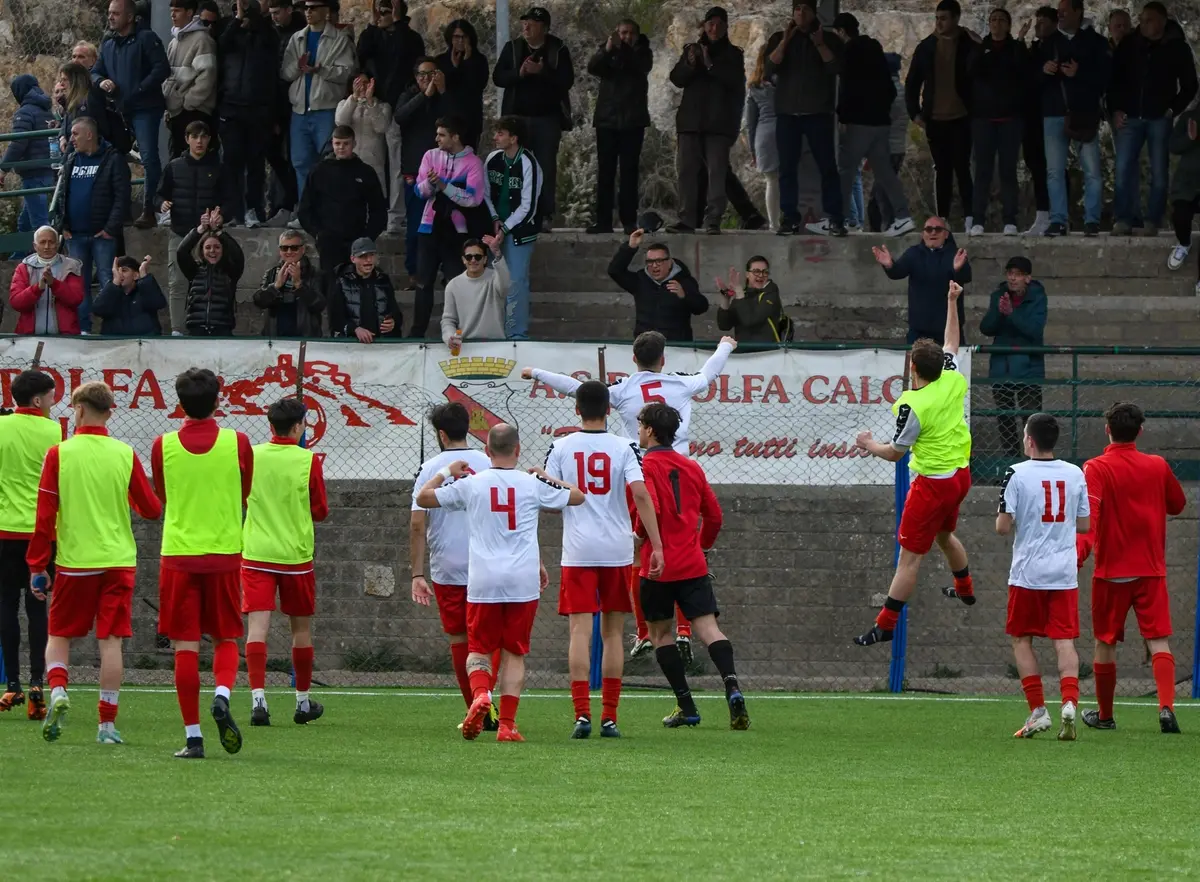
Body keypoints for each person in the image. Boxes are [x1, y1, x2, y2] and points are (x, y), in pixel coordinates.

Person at [524, 330, 736, 661]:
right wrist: (725, 345)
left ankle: (644, 632)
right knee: (684, 548)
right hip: (681, 474)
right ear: (663, 361)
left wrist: (537, 373)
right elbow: (710, 371)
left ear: (634, 360)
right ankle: (682, 631)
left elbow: (580, 390)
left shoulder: (623, 391)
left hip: (643, 473)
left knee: (641, 555)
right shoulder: (681, 385)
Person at [415, 423, 584, 742]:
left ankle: (480, 695)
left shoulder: (472, 484)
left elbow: (424, 498)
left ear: (487, 452)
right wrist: (547, 477)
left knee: (478, 648)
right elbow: (577, 497)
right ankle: (507, 725)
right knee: (514, 653)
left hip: (483, 580)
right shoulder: (531, 484)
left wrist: (446, 472)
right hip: (522, 580)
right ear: (518, 450)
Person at [26, 381, 162, 745]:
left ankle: (58, 692)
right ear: (110, 413)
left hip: (75, 562)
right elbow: (151, 509)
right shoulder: (124, 453)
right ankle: (106, 726)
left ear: (80, 409)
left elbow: (44, 515)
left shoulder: (60, 453)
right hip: (118, 560)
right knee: (111, 640)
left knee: (59, 634)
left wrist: (38, 566)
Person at [853, 280, 975, 646]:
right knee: (944, 535)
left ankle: (885, 625)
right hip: (961, 476)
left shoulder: (913, 405)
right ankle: (965, 588)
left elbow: (895, 453)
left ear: (912, 366)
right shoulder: (952, 377)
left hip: (934, 484)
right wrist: (952, 301)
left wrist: (868, 443)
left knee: (909, 559)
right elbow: (952, 342)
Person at [545, 380, 664, 739]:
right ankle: (609, 717)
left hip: (579, 551)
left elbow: (549, 498)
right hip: (616, 551)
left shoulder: (560, 446)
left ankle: (582, 715)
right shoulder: (626, 446)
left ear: (577, 410)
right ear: (609, 410)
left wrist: (553, 483)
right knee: (613, 633)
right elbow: (641, 495)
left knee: (579, 631)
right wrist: (655, 545)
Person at [152, 368, 254, 760]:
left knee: (184, 646)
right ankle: (222, 695)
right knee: (226, 637)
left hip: (178, 554)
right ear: (218, 401)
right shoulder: (238, 442)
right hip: (225, 552)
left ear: (178, 404)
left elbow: (162, 493)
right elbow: (244, 490)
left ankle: (193, 738)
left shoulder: (163, 445)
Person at [633, 402, 748, 730]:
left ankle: (687, 705)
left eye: (641, 425)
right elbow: (714, 516)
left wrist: (643, 537)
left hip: (658, 565)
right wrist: (703, 546)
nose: (638, 430)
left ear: (651, 431)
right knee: (709, 629)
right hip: (692, 563)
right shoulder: (692, 467)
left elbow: (648, 508)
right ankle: (733, 688)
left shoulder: (644, 467)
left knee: (659, 633)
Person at [1077, 402, 1187, 734]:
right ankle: (1166, 708)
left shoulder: (1095, 467)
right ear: (1140, 431)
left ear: (1107, 430)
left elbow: (1090, 518)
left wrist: (1079, 553)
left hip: (1111, 571)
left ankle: (1106, 715)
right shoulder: (1157, 465)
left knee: (1105, 641)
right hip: (1150, 569)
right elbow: (1178, 505)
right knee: (1158, 640)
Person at [998, 413, 1090, 740]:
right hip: (1063, 572)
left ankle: (1038, 710)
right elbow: (1083, 525)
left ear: (1030, 440)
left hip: (1027, 573)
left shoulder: (1016, 473)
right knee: (1064, 640)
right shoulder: (1075, 473)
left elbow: (1002, 527)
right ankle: (1069, 702)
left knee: (1022, 638)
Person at [241, 397, 329, 727]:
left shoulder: (253, 456)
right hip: (295, 556)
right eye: (304, 423)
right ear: (296, 427)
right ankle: (302, 702)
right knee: (301, 630)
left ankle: (258, 701)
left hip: (256, 552)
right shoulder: (308, 460)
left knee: (257, 629)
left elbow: (241, 493)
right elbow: (320, 510)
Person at [409, 403, 497, 724]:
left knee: (460, 638)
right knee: (488, 638)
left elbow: (418, 525)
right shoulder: (489, 464)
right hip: (486, 563)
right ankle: (486, 695)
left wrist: (417, 573)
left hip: (447, 566)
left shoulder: (429, 470)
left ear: (441, 434)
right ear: (468, 429)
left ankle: (475, 704)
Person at [0, 371, 61, 721]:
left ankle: (12, 683)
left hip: (5, 530)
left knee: (6, 604)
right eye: (51, 397)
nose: (54, 403)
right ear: (37, 400)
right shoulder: (54, 432)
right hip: (41, 533)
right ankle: (39, 681)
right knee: (38, 607)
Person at [1108, 1, 1197, 236]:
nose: (1143, 24)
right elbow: (1114, 80)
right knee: (1123, 168)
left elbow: (1190, 85)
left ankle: (1152, 220)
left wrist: (1171, 110)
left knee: (1159, 172)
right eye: (1142, 19)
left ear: (1162, 21)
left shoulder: (1177, 47)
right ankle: (1123, 219)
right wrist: (1115, 109)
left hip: (1159, 118)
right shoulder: (1129, 45)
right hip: (1129, 117)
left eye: (1149, 20)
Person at [764, 0, 845, 237]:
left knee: (828, 167)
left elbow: (836, 68)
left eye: (805, 9)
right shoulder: (779, 38)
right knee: (787, 169)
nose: (801, 14)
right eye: (797, 9)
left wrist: (819, 45)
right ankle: (789, 218)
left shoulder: (829, 38)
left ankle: (835, 218)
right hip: (788, 113)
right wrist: (785, 41)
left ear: (813, 13)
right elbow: (770, 67)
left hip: (818, 113)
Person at [832, 13, 915, 238]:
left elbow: (847, 87)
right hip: (880, 123)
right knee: (885, 172)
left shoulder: (849, 52)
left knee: (846, 171)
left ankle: (837, 221)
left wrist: (843, 116)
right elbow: (888, 89)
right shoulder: (876, 51)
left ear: (841, 32)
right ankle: (903, 216)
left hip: (859, 122)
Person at [493, 6, 575, 230]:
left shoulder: (558, 49)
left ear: (544, 28)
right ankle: (514, 213)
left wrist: (542, 71)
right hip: (516, 120)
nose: (526, 27)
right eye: (524, 23)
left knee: (545, 168)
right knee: (514, 167)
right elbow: (498, 77)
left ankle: (544, 215)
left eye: (532, 23)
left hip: (547, 119)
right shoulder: (513, 48)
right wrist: (519, 74)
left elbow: (566, 80)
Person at [667, 6, 745, 235]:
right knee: (687, 172)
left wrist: (710, 64)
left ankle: (713, 220)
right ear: (704, 26)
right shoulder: (691, 49)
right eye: (711, 24)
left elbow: (733, 83)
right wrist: (690, 64)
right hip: (690, 122)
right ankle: (687, 219)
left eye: (720, 24)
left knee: (716, 173)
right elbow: (676, 79)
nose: (714, 28)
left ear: (725, 28)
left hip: (718, 125)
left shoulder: (733, 54)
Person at [1037, 0, 1111, 237]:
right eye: (1058, 11)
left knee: (1092, 170)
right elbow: (1031, 81)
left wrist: (1080, 74)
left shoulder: (1096, 43)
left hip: (1084, 113)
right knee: (1054, 171)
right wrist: (1043, 71)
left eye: (1065, 11)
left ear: (1078, 12)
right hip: (1053, 112)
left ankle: (1092, 221)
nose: (1060, 15)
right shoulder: (1047, 44)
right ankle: (1058, 220)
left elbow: (1106, 79)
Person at [94, 0, 170, 228]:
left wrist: (138, 90)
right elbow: (96, 71)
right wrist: (102, 81)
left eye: (115, 13)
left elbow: (161, 68)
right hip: (120, 109)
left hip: (145, 108)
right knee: (115, 157)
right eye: (109, 13)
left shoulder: (146, 38)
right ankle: (121, 210)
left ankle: (150, 208)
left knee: (148, 157)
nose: (110, 17)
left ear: (129, 16)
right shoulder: (108, 43)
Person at [411, 115, 487, 338]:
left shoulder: (473, 163)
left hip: (457, 231)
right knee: (423, 282)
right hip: (428, 227)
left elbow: (473, 199)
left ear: (455, 137)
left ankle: (460, 331)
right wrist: (431, 184)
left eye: (442, 135)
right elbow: (419, 191)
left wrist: (445, 186)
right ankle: (417, 333)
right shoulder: (430, 156)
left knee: (456, 283)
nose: (437, 139)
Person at [906, 0, 976, 230]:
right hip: (934, 118)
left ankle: (970, 218)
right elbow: (913, 81)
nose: (939, 22)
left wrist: (980, 44)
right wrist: (914, 112)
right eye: (937, 18)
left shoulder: (967, 43)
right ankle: (942, 218)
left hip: (962, 116)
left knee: (963, 167)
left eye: (944, 18)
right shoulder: (926, 46)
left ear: (956, 18)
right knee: (942, 169)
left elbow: (983, 72)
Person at [54, 117, 129, 332]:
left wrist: (110, 229)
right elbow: (61, 195)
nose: (71, 140)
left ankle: (112, 327)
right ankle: (83, 328)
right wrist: (64, 224)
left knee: (108, 280)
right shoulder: (71, 160)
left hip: (102, 236)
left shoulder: (112, 159)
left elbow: (121, 197)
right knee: (79, 285)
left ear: (89, 134)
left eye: (75, 134)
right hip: (75, 236)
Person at [356, 0, 424, 227]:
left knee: (396, 164)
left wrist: (398, 24)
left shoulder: (410, 38)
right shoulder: (373, 35)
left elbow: (406, 55)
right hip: (375, 105)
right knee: (371, 162)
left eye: (385, 11)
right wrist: (373, 24)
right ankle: (370, 211)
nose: (380, 15)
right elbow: (362, 52)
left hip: (397, 106)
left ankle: (396, 215)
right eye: (378, 11)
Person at [281, 0, 357, 202]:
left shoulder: (339, 39)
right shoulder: (297, 38)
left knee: (329, 162)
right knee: (300, 162)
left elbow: (347, 72)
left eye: (313, 7)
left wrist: (320, 69)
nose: (308, 12)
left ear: (326, 11)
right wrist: (299, 68)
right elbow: (285, 73)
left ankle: (328, 209)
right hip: (299, 110)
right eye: (306, 8)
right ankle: (306, 210)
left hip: (326, 108)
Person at [297, 124, 387, 289]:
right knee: (332, 291)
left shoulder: (366, 172)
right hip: (328, 242)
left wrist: (367, 237)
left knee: (358, 289)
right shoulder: (319, 171)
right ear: (332, 143)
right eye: (338, 143)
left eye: (346, 143)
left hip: (357, 241)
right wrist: (318, 234)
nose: (341, 147)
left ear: (354, 144)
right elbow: (304, 209)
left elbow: (379, 210)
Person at [587, 18, 653, 235]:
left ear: (636, 35)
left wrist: (619, 47)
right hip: (607, 120)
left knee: (629, 173)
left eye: (630, 33)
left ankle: (628, 221)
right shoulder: (609, 51)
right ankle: (603, 221)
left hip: (633, 121)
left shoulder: (643, 52)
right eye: (622, 33)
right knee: (605, 173)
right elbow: (593, 67)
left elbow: (637, 66)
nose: (626, 37)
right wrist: (606, 50)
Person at [967, 8, 1030, 236]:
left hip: (1010, 119)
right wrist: (980, 49)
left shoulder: (1015, 48)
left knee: (1007, 171)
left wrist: (1021, 41)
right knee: (982, 171)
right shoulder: (980, 48)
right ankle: (977, 220)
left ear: (1008, 24)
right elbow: (973, 72)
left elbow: (1019, 71)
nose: (996, 24)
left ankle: (1010, 220)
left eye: (1001, 20)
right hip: (983, 119)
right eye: (993, 20)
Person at [217, 0, 280, 229]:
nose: (241, 15)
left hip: (258, 110)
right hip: (231, 109)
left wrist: (256, 19)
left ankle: (254, 209)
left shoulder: (266, 35)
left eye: (244, 11)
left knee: (255, 164)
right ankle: (233, 211)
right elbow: (221, 45)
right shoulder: (231, 35)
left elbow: (270, 43)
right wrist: (237, 20)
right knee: (231, 162)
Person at [158, 119, 223, 335]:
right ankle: (177, 330)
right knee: (177, 281)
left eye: (204, 136)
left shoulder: (218, 167)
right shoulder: (174, 167)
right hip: (180, 231)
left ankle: (210, 328)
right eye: (195, 136)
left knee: (211, 281)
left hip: (210, 235)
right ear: (187, 140)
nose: (199, 141)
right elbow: (158, 195)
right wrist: (162, 203)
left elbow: (231, 199)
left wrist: (221, 216)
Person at [980, 256, 1047, 457]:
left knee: (1031, 420)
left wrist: (1011, 314)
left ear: (1028, 278)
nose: (1012, 278)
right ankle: (1010, 462)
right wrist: (999, 313)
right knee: (1005, 419)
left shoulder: (1038, 297)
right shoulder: (998, 295)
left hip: (1028, 368)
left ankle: (1033, 460)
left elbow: (1034, 330)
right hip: (1001, 367)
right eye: (1010, 273)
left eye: (1017, 274)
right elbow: (986, 328)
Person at [483, 115, 542, 340]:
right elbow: (485, 193)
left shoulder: (529, 163)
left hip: (519, 232)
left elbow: (529, 205)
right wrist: (494, 217)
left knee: (516, 281)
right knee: (493, 280)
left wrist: (505, 229)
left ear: (513, 138)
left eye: (501, 133)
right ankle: (493, 331)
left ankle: (516, 334)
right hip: (494, 226)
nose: (495, 137)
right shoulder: (492, 159)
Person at [872, 217, 971, 344]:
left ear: (946, 234)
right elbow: (897, 272)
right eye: (929, 229)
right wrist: (889, 265)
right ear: (923, 234)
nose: (933, 233)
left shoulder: (956, 254)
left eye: (938, 229)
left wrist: (958, 269)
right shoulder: (913, 253)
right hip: (919, 330)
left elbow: (966, 277)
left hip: (949, 328)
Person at [394, 58, 448, 285]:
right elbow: (400, 116)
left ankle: (447, 270)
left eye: (431, 73)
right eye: (422, 74)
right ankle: (415, 272)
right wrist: (424, 95)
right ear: (416, 77)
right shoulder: (409, 96)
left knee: (446, 224)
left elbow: (457, 118)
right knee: (416, 225)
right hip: (416, 172)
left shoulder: (444, 97)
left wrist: (442, 91)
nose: (427, 79)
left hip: (445, 171)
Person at [606, 228, 709, 341]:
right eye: (650, 262)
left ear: (669, 262)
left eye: (659, 261)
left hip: (676, 347)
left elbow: (702, 307)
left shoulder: (684, 281)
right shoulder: (640, 281)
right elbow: (614, 271)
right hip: (645, 346)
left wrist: (685, 296)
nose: (654, 266)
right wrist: (630, 247)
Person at [163, 0, 219, 158]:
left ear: (189, 13)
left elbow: (207, 77)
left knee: (197, 161)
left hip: (195, 111)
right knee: (177, 160)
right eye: (171, 11)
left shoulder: (202, 40)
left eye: (177, 11)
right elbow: (169, 77)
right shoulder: (174, 41)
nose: (173, 15)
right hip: (177, 111)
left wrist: (187, 103)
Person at [176, 208, 243, 337]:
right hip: (196, 330)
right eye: (208, 247)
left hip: (222, 331)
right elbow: (181, 252)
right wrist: (200, 229)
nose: (213, 251)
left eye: (217, 247)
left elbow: (238, 255)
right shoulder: (194, 271)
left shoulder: (230, 271)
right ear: (202, 251)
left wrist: (219, 232)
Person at [1, 76, 55, 232]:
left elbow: (18, 143)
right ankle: (18, 254)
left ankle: (53, 252)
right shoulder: (46, 110)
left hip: (33, 173)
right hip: (47, 171)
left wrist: (3, 169)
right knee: (25, 223)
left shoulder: (25, 112)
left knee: (40, 223)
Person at [266, 0, 304, 223]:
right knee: (274, 156)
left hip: (294, 103)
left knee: (294, 158)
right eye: (271, 13)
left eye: (277, 12)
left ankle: (290, 204)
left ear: (289, 10)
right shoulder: (270, 33)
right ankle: (282, 204)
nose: (274, 17)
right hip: (273, 103)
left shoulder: (299, 35)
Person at [1022, 6, 1058, 237]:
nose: (1038, 26)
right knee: (1035, 163)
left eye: (1043, 22)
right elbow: (1025, 77)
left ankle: (1057, 216)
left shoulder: (1059, 46)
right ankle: (1043, 215)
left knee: (1054, 167)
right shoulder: (1034, 48)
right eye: (1038, 22)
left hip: (1052, 113)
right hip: (1032, 114)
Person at [9, 226, 85, 336]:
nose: (47, 246)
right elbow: (16, 302)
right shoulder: (23, 268)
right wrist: (37, 288)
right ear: (35, 246)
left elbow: (76, 299)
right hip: (29, 337)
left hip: (65, 338)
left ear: (58, 244)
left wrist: (54, 284)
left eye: (51, 242)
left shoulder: (71, 266)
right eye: (42, 242)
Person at [328, 237, 403, 342]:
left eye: (372, 255)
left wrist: (393, 321)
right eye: (363, 256)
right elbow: (335, 319)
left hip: (382, 345)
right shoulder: (342, 282)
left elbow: (395, 312)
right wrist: (355, 329)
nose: (368, 260)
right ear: (353, 259)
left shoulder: (383, 280)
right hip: (352, 345)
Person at [253, 229, 325, 336]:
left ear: (303, 249)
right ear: (280, 250)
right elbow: (259, 302)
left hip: (305, 338)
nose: (289, 252)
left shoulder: (315, 274)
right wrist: (276, 286)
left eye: (294, 248)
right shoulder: (271, 273)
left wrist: (299, 285)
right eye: (284, 248)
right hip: (275, 338)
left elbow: (319, 305)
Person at [867, 51, 909, 233]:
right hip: (897, 148)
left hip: (887, 149)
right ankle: (884, 226)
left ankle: (890, 225)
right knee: (880, 192)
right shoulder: (901, 90)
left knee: (881, 193)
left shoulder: (887, 93)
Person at [440, 238, 507, 348]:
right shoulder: (453, 285)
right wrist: (450, 337)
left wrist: (498, 254)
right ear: (463, 260)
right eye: (469, 257)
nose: (473, 260)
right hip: (466, 346)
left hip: (496, 344)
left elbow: (505, 287)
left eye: (478, 257)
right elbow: (448, 320)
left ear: (485, 259)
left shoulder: (496, 277)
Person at [435, 19, 489, 150]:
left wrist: (468, 62)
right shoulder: (441, 61)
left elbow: (478, 85)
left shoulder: (479, 60)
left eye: (464, 37)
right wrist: (454, 67)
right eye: (456, 37)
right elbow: (443, 87)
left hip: (470, 118)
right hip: (447, 116)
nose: (460, 41)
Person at [742, 45, 779, 232]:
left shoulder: (754, 87)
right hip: (786, 132)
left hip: (763, 136)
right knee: (790, 180)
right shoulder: (786, 83)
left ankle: (774, 224)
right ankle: (793, 221)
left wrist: (752, 150)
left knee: (771, 182)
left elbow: (750, 122)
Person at [714, 256, 790, 343]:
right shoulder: (743, 295)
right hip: (743, 353)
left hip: (768, 353)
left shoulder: (771, 292)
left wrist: (739, 291)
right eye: (756, 271)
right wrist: (725, 299)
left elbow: (750, 320)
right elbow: (724, 326)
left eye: (765, 272)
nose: (761, 275)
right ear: (747, 274)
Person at [335, 75, 391, 191]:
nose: (362, 87)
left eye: (366, 83)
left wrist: (370, 103)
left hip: (373, 161)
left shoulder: (383, 106)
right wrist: (354, 98)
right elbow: (341, 123)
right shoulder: (343, 103)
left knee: (373, 197)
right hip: (349, 160)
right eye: (358, 83)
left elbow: (381, 127)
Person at [1167, 106, 1200, 292]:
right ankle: (1184, 243)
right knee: (1180, 215)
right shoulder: (1189, 117)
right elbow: (1173, 146)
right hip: (1187, 182)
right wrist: (1190, 138)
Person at [93, 254, 166, 335]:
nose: (119, 274)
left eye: (124, 270)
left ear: (135, 275)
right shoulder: (110, 291)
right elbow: (98, 310)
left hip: (143, 343)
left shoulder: (145, 289)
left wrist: (144, 277)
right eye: (116, 271)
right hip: (115, 345)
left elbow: (158, 303)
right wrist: (114, 284)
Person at [56, 63, 119, 155]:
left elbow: (95, 131)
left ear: (75, 80)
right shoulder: (73, 100)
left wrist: (66, 160)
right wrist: (62, 136)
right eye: (61, 80)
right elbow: (67, 121)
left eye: (65, 80)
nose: (61, 84)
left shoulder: (90, 99)